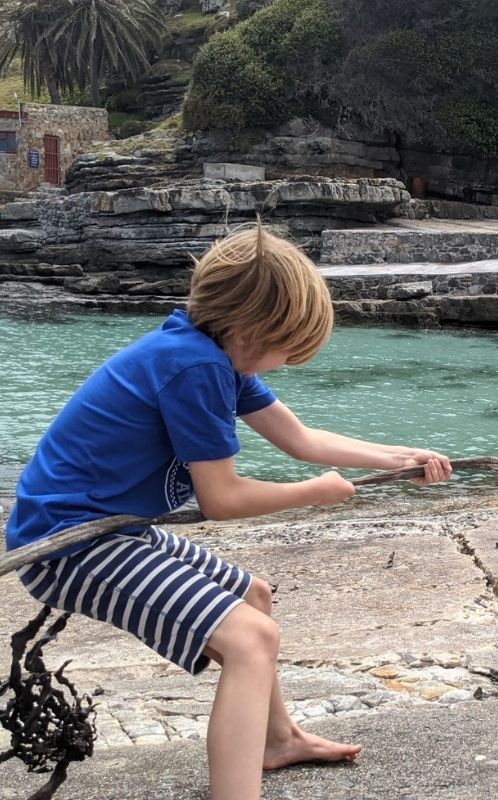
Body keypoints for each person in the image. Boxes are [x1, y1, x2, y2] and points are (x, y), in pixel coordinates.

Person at [5, 223, 452, 800]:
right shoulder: (197, 368)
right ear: (250, 329)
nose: (287, 361)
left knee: (252, 598)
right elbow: (223, 498)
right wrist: (313, 494)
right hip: (71, 546)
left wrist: (402, 457)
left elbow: (302, 438)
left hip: (113, 532)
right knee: (249, 640)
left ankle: (277, 739)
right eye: (287, 346)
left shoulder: (213, 353)